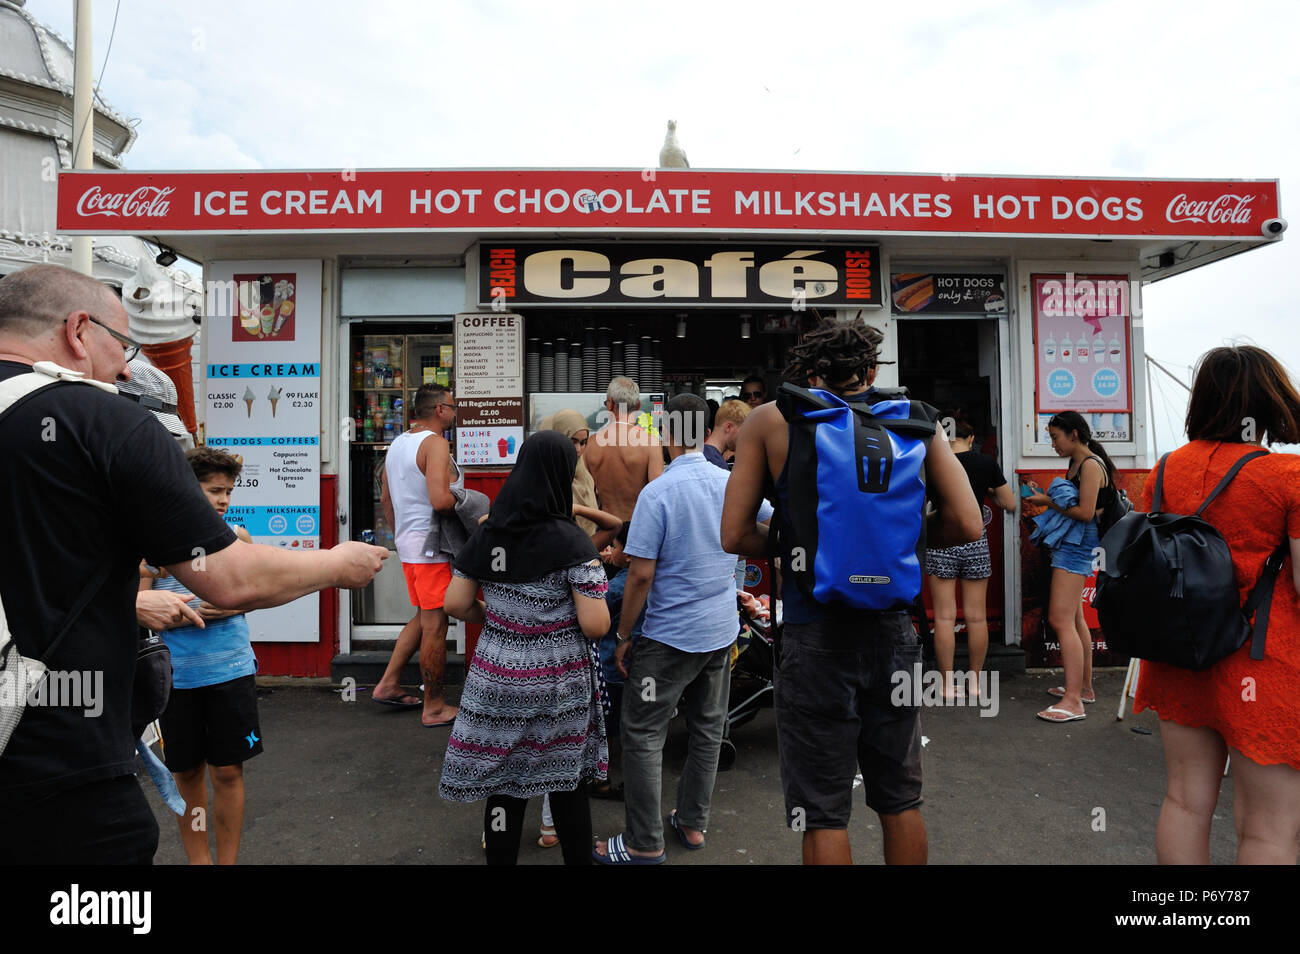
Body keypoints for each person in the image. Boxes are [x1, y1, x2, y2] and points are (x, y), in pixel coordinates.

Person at [0, 264, 385, 864]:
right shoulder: (102, 420)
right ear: (79, 331)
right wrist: (338, 565)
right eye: (122, 344)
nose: (128, 366)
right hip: (51, 755)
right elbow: (229, 577)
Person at [721, 318, 981, 865]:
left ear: (812, 372)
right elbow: (967, 522)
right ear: (870, 370)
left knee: (821, 809)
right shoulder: (916, 421)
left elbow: (734, 534)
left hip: (813, 632)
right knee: (900, 798)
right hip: (893, 629)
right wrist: (900, 542)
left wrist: (800, 542)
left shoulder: (771, 420)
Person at [1132, 345, 1300, 864]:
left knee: (1184, 802)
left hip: (1181, 655)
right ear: (1269, 403)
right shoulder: (1286, 476)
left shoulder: (1165, 472)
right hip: (1262, 661)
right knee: (1268, 833)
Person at [439, 430, 610, 866]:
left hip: (495, 675)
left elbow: (456, 604)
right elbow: (595, 625)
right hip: (557, 680)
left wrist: (500, 621)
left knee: (503, 784)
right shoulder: (572, 542)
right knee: (565, 781)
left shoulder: (489, 532)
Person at [593, 394, 738, 865]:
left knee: (643, 733)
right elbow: (772, 527)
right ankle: (692, 824)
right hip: (720, 631)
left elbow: (639, 574)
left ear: (666, 431)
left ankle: (644, 841)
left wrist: (624, 634)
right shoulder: (731, 483)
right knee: (708, 729)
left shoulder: (659, 494)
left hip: (668, 636)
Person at [142, 447, 259, 865]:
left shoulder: (238, 539)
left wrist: (235, 604)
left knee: (228, 771)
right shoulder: (152, 547)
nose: (224, 499)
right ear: (186, 489)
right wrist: (172, 614)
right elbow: (135, 606)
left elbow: (257, 593)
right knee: (186, 774)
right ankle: (199, 863)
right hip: (175, 678)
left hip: (231, 670)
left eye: (228, 491)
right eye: (214, 491)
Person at [370, 385, 460, 726]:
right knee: (436, 624)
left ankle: (388, 683)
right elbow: (440, 500)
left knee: (424, 616)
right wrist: (471, 504)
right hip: (432, 546)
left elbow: (387, 500)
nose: (454, 413)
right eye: (452, 407)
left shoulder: (398, 444)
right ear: (439, 410)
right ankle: (434, 706)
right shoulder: (436, 444)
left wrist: (401, 535)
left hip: (410, 544)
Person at [1023, 411, 1116, 722]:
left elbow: (1085, 512)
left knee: (1059, 619)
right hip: (1075, 543)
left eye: (1055, 437)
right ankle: (1084, 689)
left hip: (1078, 544)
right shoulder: (1080, 462)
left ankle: (1073, 700)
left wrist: (1048, 502)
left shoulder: (1089, 465)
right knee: (1074, 618)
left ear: (1074, 434)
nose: (1053, 444)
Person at [926, 411, 1018, 700]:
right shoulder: (985, 463)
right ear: (972, 438)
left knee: (943, 617)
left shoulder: (934, 463)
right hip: (975, 541)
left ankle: (946, 685)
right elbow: (1009, 503)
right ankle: (975, 683)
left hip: (942, 539)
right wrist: (986, 487)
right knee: (977, 618)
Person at [582, 376, 663, 522]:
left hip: (606, 530)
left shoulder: (590, 444)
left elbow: (586, 496)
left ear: (610, 404)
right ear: (638, 406)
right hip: (639, 529)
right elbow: (657, 498)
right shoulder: (651, 444)